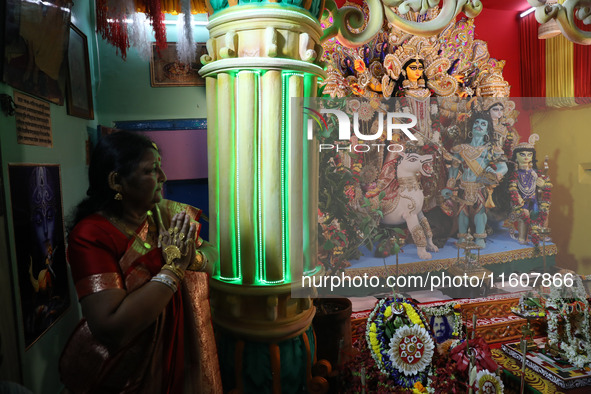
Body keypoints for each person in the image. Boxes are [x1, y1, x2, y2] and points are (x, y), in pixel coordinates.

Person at [59, 131, 222, 393]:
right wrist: (174, 268)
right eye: (151, 170)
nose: (163, 178)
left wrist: (195, 259)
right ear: (116, 181)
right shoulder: (91, 235)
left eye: (161, 168)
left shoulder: (166, 215)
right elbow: (112, 327)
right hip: (127, 372)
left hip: (177, 352)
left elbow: (215, 257)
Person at [447, 112, 507, 248]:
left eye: (483, 124)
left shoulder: (490, 149)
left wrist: (495, 174)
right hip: (463, 186)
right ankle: (462, 238)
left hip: (479, 186)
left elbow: (503, 167)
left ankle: (480, 238)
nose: (479, 126)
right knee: (462, 212)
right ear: (472, 127)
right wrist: (449, 185)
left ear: (487, 130)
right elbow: (454, 168)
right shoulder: (461, 148)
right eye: (476, 123)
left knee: (480, 213)